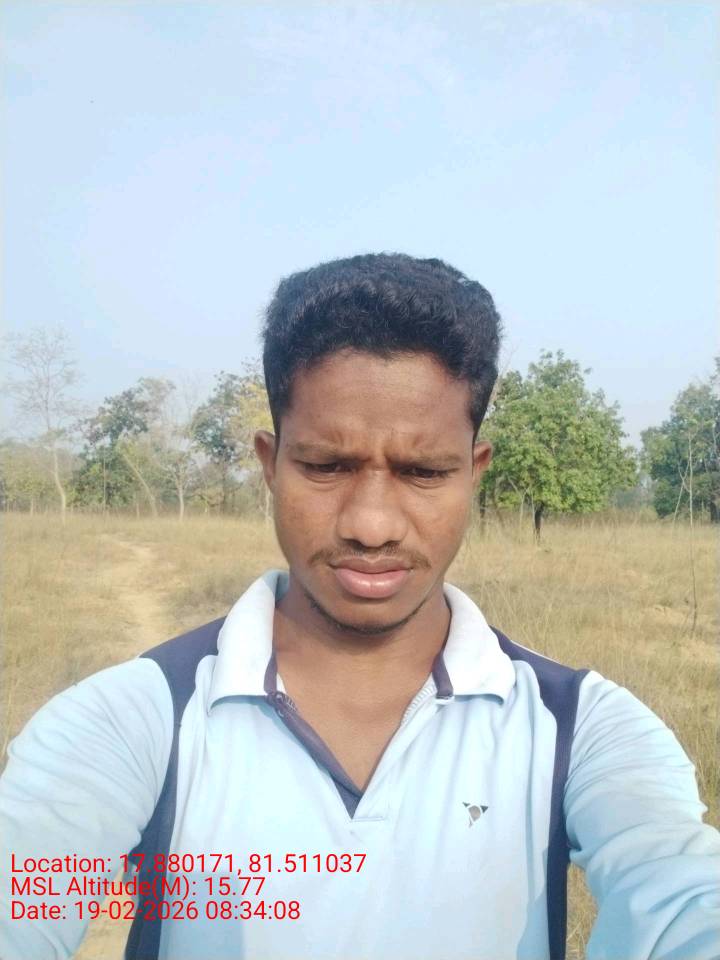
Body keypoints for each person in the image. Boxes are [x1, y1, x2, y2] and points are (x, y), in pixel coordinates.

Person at [1, 253, 718, 960]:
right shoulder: (131, 721)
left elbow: (682, 895)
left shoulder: (580, 729)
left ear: (473, 473)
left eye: (423, 472)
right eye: (326, 466)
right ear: (269, 465)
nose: (372, 525)